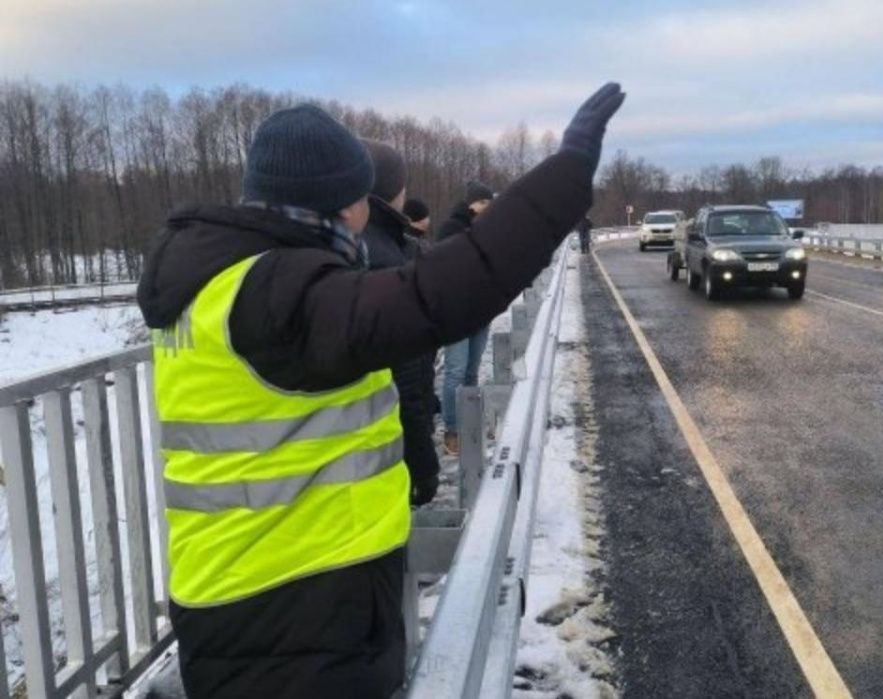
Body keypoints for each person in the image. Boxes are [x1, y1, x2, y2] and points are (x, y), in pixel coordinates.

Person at [136, 82, 625, 698]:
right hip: (292, 615)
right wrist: (566, 173)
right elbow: (436, 296)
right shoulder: (280, 294)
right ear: (346, 206)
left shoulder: (220, 282)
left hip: (246, 592)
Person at [359, 138, 440, 507]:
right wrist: (423, 460)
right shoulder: (387, 259)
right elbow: (405, 375)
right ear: (394, 193)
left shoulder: (349, 245)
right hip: (384, 444)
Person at [436, 180, 495, 454]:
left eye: (488, 203)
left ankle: (469, 422)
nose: (486, 208)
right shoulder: (451, 228)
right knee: (455, 372)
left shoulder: (487, 228)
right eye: (482, 202)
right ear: (470, 203)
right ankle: (452, 429)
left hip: (480, 309)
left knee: (471, 371)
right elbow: (450, 266)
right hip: (456, 311)